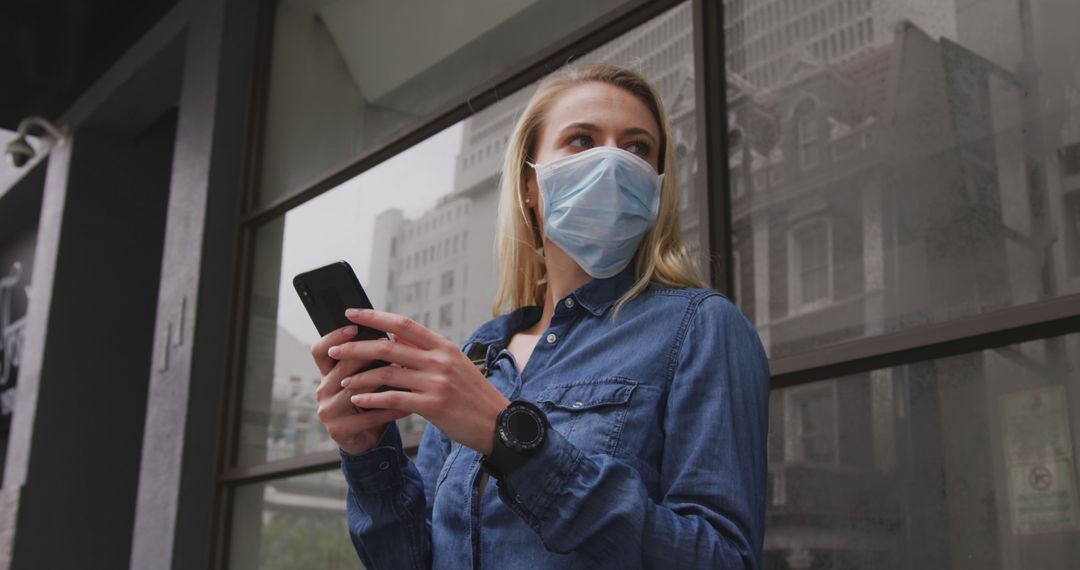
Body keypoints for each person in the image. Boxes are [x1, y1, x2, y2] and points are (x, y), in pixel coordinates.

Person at [311, 63, 770, 569]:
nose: (613, 161)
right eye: (581, 140)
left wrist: (511, 442)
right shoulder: (480, 355)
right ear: (530, 185)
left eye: (637, 147)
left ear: (658, 187)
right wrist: (368, 451)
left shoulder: (701, 327)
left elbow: (724, 559)